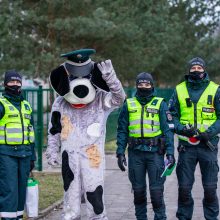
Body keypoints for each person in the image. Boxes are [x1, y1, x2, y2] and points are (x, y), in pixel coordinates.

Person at [116, 72, 175, 220]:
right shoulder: (128, 104)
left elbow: (167, 131)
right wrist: (120, 153)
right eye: (141, 84)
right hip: (135, 153)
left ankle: (160, 217)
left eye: (147, 84)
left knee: (156, 192)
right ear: (137, 86)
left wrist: (170, 153)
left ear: (152, 85)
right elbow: (122, 130)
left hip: (155, 153)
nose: (144, 87)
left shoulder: (160, 104)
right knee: (138, 191)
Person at [169, 57, 220, 220]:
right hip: (186, 147)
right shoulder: (179, 90)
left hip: (208, 145)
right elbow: (171, 117)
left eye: (199, 67)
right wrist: (183, 130)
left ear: (204, 69)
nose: (196, 70)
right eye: (193, 67)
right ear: (189, 70)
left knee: (210, 189)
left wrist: (209, 132)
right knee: (184, 188)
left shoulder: (216, 90)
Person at [0, 70, 36, 220]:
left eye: (17, 82)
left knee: (22, 190)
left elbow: (32, 132)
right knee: (10, 190)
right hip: (6, 154)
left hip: (25, 154)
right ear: (5, 84)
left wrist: (33, 156)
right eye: (11, 82)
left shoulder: (26, 105)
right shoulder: (1, 104)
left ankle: (18, 217)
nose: (15, 84)